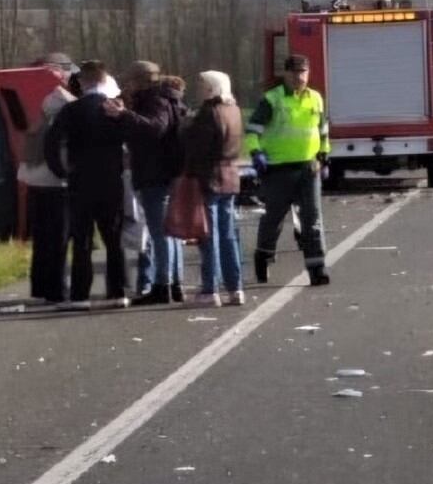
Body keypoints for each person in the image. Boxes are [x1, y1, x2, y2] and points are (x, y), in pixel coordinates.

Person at [44, 60, 133, 309]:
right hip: (111, 180)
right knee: (113, 238)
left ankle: (80, 295)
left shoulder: (72, 110)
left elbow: (51, 143)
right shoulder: (114, 109)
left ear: (82, 83)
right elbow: (131, 137)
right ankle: (118, 292)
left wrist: (60, 171)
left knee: (82, 240)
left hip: (80, 181)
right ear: (105, 81)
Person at [247, 54, 331, 286]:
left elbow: (322, 130)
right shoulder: (272, 100)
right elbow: (252, 131)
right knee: (273, 219)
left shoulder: (315, 98)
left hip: (308, 167)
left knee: (312, 220)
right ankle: (263, 256)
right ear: (285, 74)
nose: (299, 77)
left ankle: (317, 269)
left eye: (303, 73)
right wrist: (256, 154)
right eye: (294, 73)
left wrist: (324, 155)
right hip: (278, 169)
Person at [110, 60, 187, 305]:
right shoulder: (167, 98)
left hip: (155, 173)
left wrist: (124, 115)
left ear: (140, 81)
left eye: (130, 80)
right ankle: (173, 283)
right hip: (165, 172)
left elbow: (155, 128)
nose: (127, 85)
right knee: (169, 233)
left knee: (160, 233)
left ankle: (162, 285)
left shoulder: (154, 100)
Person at [182, 70, 245, 307]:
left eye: (202, 86)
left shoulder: (208, 113)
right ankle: (235, 287)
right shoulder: (234, 110)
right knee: (228, 234)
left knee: (208, 235)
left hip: (210, 177)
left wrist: (186, 128)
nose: (199, 90)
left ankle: (210, 288)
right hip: (230, 176)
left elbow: (198, 147)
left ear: (211, 88)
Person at [17, 85, 75, 303]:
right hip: (58, 190)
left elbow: (22, 169)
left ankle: (40, 286)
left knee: (41, 242)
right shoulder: (62, 131)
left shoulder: (35, 130)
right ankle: (58, 288)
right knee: (59, 241)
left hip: (35, 190)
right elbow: (64, 162)